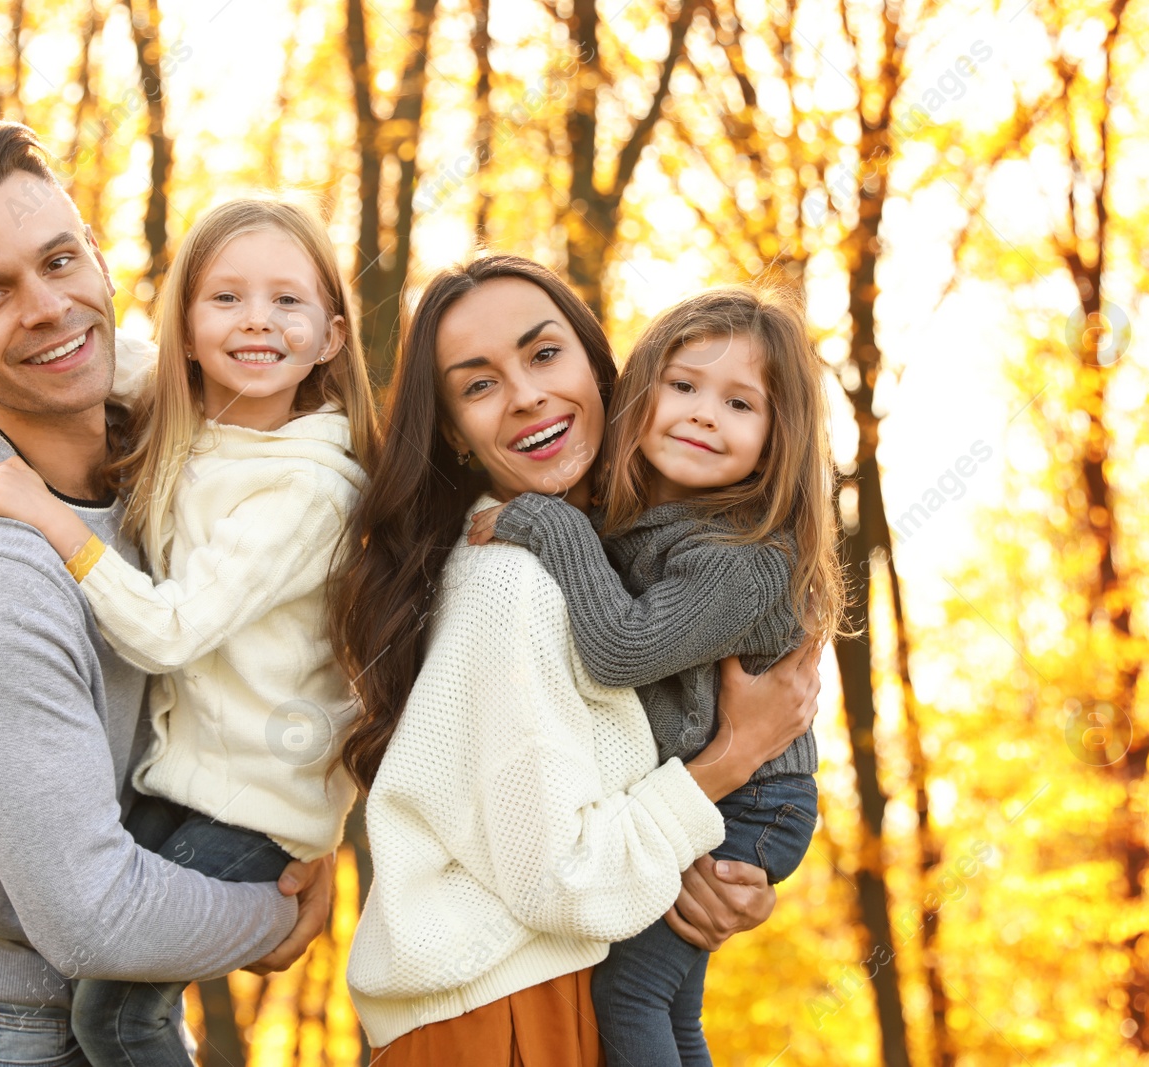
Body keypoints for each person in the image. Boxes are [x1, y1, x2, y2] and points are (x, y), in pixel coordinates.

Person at [0, 115, 330, 1066]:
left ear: (99, 261)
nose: (47, 308)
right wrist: (284, 911)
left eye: (59, 261)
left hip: (113, 1002)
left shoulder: (154, 425)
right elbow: (96, 923)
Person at [328, 255, 824, 1064]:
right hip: (500, 1018)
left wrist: (720, 865)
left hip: (526, 998)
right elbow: (567, 880)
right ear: (452, 429)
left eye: (544, 354)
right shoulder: (515, 582)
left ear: (603, 370)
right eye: (479, 383)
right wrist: (731, 762)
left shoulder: (605, 556)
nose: (524, 393)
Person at [0, 198, 376, 1067]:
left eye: (287, 302)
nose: (257, 320)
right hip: (184, 781)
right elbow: (59, 360)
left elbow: (173, 633)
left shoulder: (309, 488)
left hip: (257, 805)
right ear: (184, 330)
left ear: (329, 338)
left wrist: (45, 515)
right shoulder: (176, 403)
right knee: (86, 966)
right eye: (227, 299)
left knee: (116, 1018)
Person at [467, 286, 844, 1066]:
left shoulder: (739, 560)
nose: (704, 413)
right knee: (669, 1006)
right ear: (639, 395)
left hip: (756, 801)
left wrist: (547, 519)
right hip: (721, 787)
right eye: (683, 385)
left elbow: (623, 650)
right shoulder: (654, 522)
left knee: (630, 993)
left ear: (778, 439)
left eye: (740, 403)